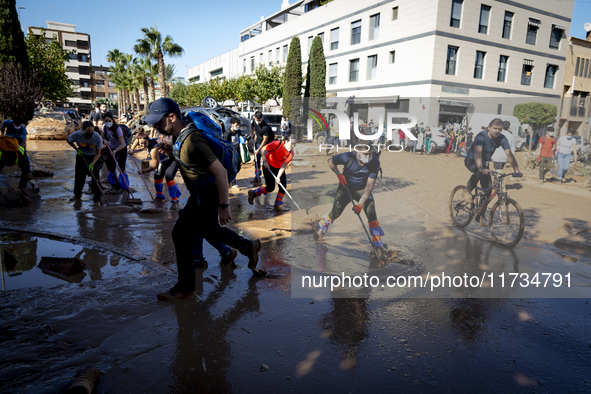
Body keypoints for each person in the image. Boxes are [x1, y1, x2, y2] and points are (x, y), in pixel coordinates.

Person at [144, 98, 262, 301]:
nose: (155, 126)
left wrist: (224, 205)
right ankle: (247, 247)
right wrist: (171, 153)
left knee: (180, 234)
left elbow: (221, 173)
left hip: (206, 195)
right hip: (202, 193)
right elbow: (191, 160)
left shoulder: (192, 140)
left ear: (171, 117)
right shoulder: (179, 136)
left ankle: (186, 287)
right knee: (209, 229)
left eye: (158, 121)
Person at [314, 147, 387, 260]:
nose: (368, 157)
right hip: (345, 188)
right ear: (358, 150)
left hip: (362, 190)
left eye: (370, 154)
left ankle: (378, 245)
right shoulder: (348, 157)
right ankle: (322, 224)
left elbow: (369, 187)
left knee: (372, 215)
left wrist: (360, 204)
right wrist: (339, 175)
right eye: (365, 154)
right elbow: (330, 162)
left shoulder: (374, 162)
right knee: (335, 214)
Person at [464, 118, 522, 226]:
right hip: (472, 160)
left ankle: (480, 214)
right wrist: (481, 168)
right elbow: (477, 153)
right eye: (495, 128)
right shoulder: (481, 136)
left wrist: (516, 170)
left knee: (488, 191)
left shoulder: (502, 138)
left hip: (485, 164)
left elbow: (509, 155)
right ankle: (467, 191)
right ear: (489, 127)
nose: (497, 131)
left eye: (500, 129)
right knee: (478, 172)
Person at [247, 135, 295, 213]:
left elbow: (284, 165)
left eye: (294, 145)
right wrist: (265, 161)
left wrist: (278, 176)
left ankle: (277, 204)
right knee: (270, 188)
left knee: (283, 186)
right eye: (291, 144)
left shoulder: (291, 153)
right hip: (268, 165)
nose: (292, 146)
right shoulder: (277, 144)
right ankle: (253, 193)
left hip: (279, 167)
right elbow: (263, 149)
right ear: (286, 141)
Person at [135, 134, 181, 207]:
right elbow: (137, 140)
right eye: (141, 143)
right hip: (162, 161)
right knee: (157, 177)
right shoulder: (148, 139)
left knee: (169, 177)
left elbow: (154, 166)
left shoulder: (154, 149)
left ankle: (174, 200)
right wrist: (131, 149)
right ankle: (159, 196)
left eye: (145, 143)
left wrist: (143, 171)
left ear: (148, 141)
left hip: (172, 160)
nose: (143, 145)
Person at [66, 120, 104, 205]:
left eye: (92, 130)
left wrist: (92, 164)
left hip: (94, 157)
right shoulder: (77, 135)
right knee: (79, 177)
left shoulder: (97, 137)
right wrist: (77, 149)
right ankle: (77, 195)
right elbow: (68, 140)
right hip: (82, 156)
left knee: (95, 178)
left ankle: (97, 198)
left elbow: (98, 153)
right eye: (88, 131)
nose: (90, 132)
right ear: (83, 129)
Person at [100, 112, 129, 190]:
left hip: (121, 148)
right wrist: (104, 140)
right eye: (106, 121)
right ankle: (116, 185)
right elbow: (101, 138)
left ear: (112, 120)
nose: (108, 122)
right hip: (111, 148)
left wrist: (115, 151)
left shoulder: (118, 129)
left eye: (109, 121)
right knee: (111, 168)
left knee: (122, 168)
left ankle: (125, 187)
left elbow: (122, 144)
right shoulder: (104, 127)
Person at [251, 111, 274, 185]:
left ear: (262, 118)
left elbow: (265, 140)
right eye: (256, 120)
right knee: (256, 162)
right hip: (257, 144)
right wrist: (252, 133)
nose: (257, 121)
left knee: (265, 163)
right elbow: (252, 126)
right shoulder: (254, 122)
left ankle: (268, 179)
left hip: (265, 146)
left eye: (259, 120)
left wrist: (258, 149)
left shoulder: (265, 127)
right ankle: (257, 177)